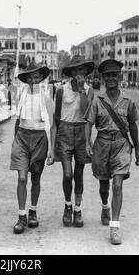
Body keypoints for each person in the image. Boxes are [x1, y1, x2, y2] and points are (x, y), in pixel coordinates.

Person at [85, 59, 139, 245]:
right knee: (104, 186)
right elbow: (89, 123)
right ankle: (105, 206)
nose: (111, 78)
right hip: (101, 145)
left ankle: (115, 226)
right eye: (107, 75)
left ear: (120, 77)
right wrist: (88, 142)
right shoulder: (97, 101)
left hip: (121, 145)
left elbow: (132, 126)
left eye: (114, 75)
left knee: (117, 184)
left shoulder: (128, 101)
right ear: (102, 78)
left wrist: (138, 149)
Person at [49, 56, 95, 227]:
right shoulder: (61, 90)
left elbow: (86, 112)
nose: (79, 73)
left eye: (81, 70)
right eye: (75, 70)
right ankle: (67, 205)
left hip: (82, 132)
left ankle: (77, 209)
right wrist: (52, 148)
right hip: (65, 132)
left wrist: (82, 90)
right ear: (71, 73)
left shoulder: (89, 91)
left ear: (85, 72)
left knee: (79, 174)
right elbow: (56, 120)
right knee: (68, 174)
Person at [10, 61, 54, 234]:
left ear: (41, 78)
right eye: (30, 78)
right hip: (22, 135)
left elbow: (51, 124)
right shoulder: (21, 94)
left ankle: (33, 211)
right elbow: (17, 119)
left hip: (40, 137)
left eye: (37, 77)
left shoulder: (46, 97)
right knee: (22, 177)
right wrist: (15, 141)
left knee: (35, 177)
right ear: (26, 79)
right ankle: (21, 216)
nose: (34, 81)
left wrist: (51, 149)